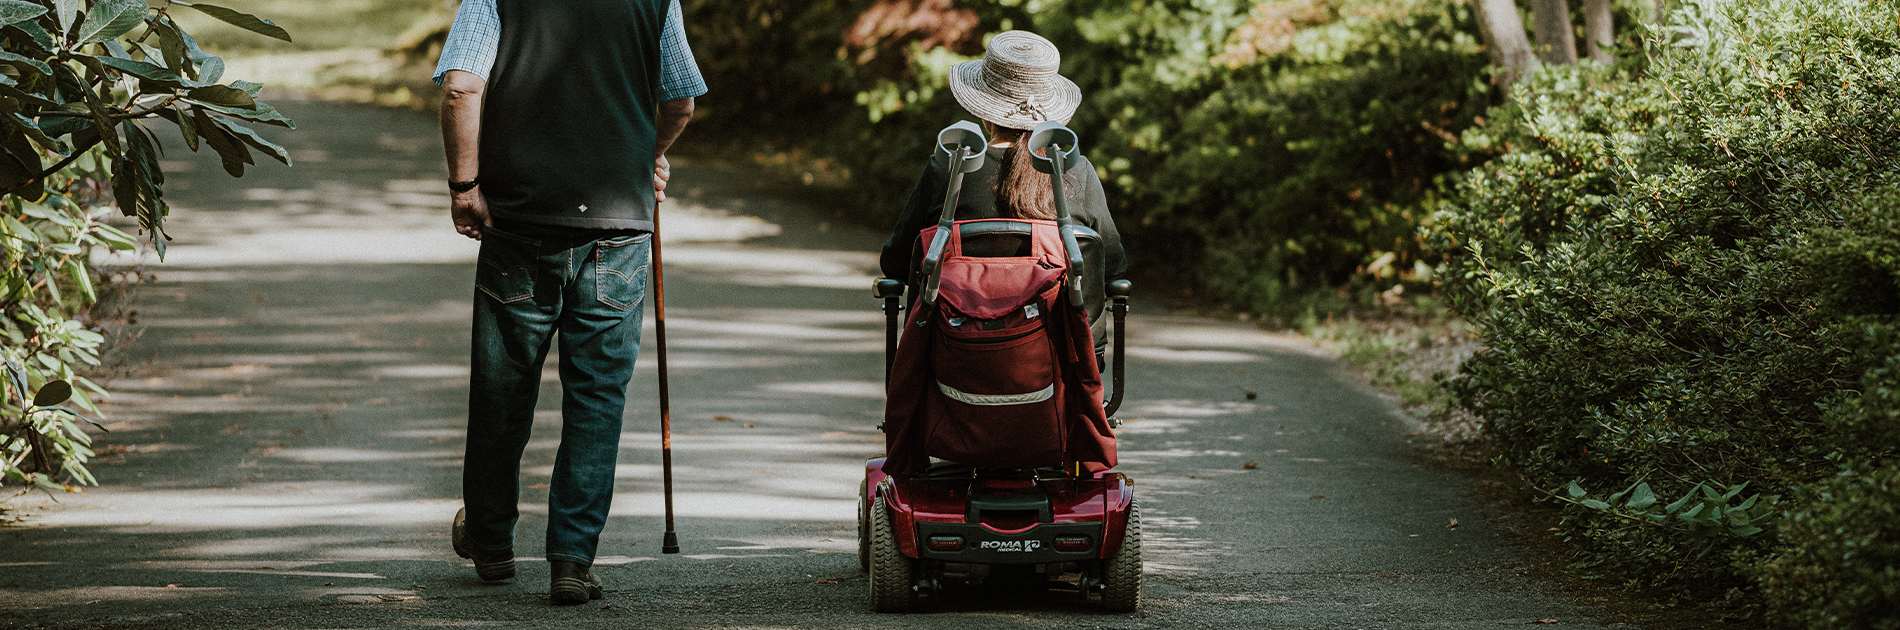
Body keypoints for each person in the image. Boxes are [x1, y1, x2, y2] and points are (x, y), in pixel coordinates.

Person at [433, 0, 705, 606]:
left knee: (504, 388)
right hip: (618, 227)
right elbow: (681, 99)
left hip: (520, 220)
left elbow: (460, 89)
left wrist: (464, 185)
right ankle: (572, 561)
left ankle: (492, 540)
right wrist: (645, 156)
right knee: (597, 398)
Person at [879, 30, 1127, 350]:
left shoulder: (948, 169)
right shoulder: (1076, 171)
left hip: (952, 355)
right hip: (1062, 361)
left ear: (983, 110)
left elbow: (896, 262)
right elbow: (1113, 269)